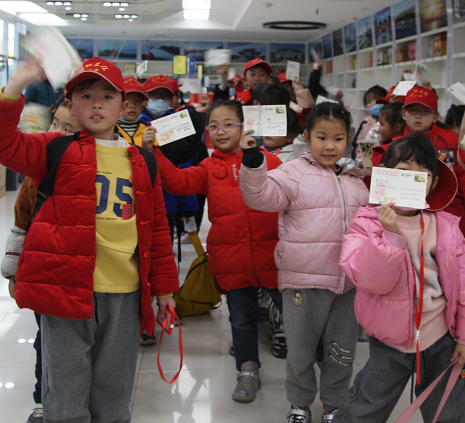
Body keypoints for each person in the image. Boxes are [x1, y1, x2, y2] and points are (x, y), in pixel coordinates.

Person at [0, 57, 178, 423]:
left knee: (114, 390)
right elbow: (1, 143)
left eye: (108, 96)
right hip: (65, 289)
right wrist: (15, 86)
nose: (97, 104)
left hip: (125, 292)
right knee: (65, 388)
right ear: (70, 106)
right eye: (86, 95)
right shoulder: (55, 149)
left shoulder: (143, 162)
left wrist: (165, 289)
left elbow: (156, 229)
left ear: (124, 104)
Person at [335, 135, 465, 423]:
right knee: (367, 404)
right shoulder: (367, 224)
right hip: (389, 337)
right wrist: (389, 235)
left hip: (440, 335)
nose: (412, 181)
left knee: (449, 407)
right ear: (386, 176)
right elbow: (371, 281)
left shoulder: (445, 227)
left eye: (422, 175)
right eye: (404, 172)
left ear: (433, 183)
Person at [142, 100, 283, 403]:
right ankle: (247, 369)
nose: (221, 131)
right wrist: (155, 153)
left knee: (294, 317)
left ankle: (309, 368)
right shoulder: (208, 166)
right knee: (241, 320)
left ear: (245, 126)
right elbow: (178, 182)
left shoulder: (270, 161)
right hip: (232, 259)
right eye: (214, 126)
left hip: (273, 256)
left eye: (229, 124)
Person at [239, 102, 370, 423]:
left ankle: (333, 405)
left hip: (348, 283)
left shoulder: (356, 177)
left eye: (338, 138)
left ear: (349, 139)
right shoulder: (294, 171)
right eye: (321, 137)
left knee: (341, 351)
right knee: (300, 350)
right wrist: (253, 161)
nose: (330, 146)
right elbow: (260, 196)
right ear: (307, 137)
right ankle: (300, 404)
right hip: (303, 281)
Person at [1, 97, 80, 423]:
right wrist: (13, 270)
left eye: (68, 129)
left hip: (82, 276)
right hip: (44, 273)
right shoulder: (37, 171)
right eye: (55, 124)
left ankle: (76, 400)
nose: (57, 133)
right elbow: (21, 222)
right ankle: (43, 402)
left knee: (78, 346)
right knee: (45, 341)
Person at [393, 86, 465, 242]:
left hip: (451, 217)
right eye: (412, 110)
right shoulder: (394, 146)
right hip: (408, 221)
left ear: (435, 117)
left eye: (425, 111)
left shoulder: (451, 141)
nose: (418, 115)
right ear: (403, 114)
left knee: (457, 256)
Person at [143, 75, 209, 244]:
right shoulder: (133, 122)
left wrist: (197, 116)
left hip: (168, 197)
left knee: (163, 243)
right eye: (154, 95)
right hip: (139, 195)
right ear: (145, 97)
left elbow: (182, 155)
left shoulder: (176, 122)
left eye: (165, 96)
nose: (160, 100)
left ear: (172, 99)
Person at [351, 86, 388, 156]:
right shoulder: (365, 123)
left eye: (376, 99)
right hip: (368, 159)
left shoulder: (390, 120)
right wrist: (358, 160)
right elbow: (357, 145)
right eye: (368, 102)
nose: (373, 103)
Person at [115, 76, 150, 147]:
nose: (132, 106)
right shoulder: (109, 131)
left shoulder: (148, 131)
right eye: (126, 100)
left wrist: (149, 150)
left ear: (143, 107)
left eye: (137, 101)